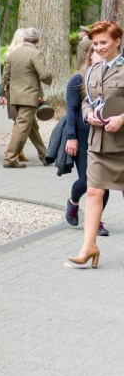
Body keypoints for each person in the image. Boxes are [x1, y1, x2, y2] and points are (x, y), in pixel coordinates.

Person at [68, 21, 124, 268]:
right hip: (99, 142)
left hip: (122, 142)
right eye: (96, 43)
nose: (99, 48)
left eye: (104, 42)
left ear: (117, 41)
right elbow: (87, 101)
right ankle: (88, 247)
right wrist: (88, 113)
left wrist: (122, 118)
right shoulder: (91, 71)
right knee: (93, 191)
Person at [65, 50, 109, 234]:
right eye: (97, 52)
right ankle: (73, 202)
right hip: (82, 136)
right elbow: (71, 110)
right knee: (86, 180)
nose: (101, 56)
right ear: (90, 56)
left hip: (104, 134)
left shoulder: (112, 80)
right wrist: (71, 137)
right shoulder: (78, 80)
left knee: (103, 182)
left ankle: (96, 220)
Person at [0, 28, 52, 168]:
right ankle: (10, 158)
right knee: (22, 127)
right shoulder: (36, 54)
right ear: (38, 40)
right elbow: (44, 75)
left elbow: (5, 76)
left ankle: (45, 155)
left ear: (23, 39)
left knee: (31, 126)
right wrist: (49, 79)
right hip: (28, 96)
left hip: (14, 96)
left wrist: (3, 93)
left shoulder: (13, 54)